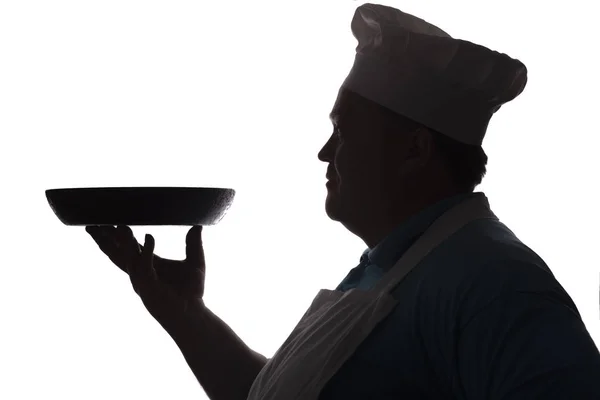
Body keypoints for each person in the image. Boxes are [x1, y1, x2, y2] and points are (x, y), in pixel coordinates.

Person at [87, 3, 600, 399]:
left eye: (342, 132)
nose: (323, 153)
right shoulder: (387, 269)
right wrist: (184, 313)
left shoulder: (496, 286)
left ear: (415, 149)